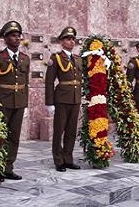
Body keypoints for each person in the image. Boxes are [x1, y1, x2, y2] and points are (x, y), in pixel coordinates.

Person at [0, 20, 30, 181]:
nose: (17, 38)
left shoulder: (25, 58)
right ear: (5, 39)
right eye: (13, 36)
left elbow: (26, 83)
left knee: (14, 136)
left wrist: (26, 103)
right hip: (2, 102)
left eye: (18, 36)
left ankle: (8, 167)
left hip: (19, 102)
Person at [45, 27, 82, 172]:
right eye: (68, 39)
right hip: (61, 98)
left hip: (75, 98)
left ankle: (68, 158)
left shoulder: (78, 59)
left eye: (73, 39)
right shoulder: (56, 58)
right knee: (59, 130)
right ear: (61, 41)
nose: (71, 41)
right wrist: (50, 103)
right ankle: (58, 160)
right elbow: (49, 82)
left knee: (71, 131)